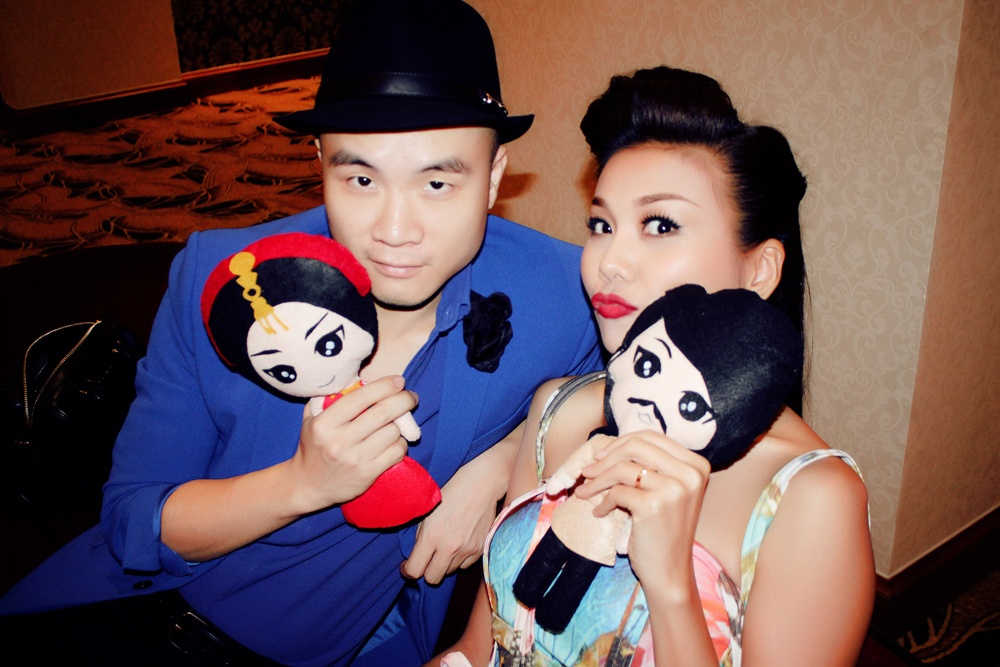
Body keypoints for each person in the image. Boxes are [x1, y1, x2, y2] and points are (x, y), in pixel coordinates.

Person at [0, 2, 601, 666]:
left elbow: (628, 380)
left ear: (493, 177)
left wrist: (506, 459)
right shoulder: (222, 281)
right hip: (141, 618)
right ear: (320, 162)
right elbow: (134, 519)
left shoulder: (560, 290)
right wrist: (305, 483)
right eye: (361, 178)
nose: (395, 230)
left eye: (437, 182)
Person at [431, 66, 875, 666]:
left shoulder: (812, 500)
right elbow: (477, 648)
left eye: (660, 225)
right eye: (601, 225)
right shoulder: (561, 409)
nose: (609, 261)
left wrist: (670, 585)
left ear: (760, 270)